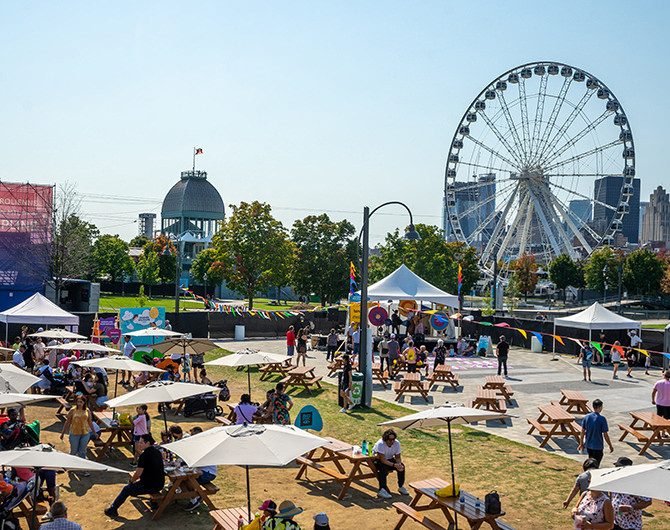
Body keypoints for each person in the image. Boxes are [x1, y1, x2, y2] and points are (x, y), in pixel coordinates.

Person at [105, 434, 165, 517]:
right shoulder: (157, 452)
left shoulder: (144, 456)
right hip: (160, 484)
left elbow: (138, 474)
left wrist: (131, 481)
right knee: (137, 485)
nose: (139, 445)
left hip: (149, 486)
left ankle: (113, 509)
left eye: (141, 443)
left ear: (147, 443)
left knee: (126, 489)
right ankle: (154, 503)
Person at [609, 457, 652, 530]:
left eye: (618, 467)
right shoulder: (614, 481)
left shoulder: (635, 484)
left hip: (631, 525)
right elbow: (611, 496)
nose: (616, 469)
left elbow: (648, 501)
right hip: (616, 523)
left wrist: (631, 507)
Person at [183, 426, 218, 512]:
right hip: (203, 471)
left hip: (208, 473)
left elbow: (195, 460)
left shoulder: (203, 446)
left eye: (193, 435)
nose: (191, 437)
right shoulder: (199, 444)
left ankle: (196, 498)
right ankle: (194, 497)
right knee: (183, 479)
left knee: (188, 479)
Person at [60, 395, 96, 472]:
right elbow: (67, 422)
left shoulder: (87, 411)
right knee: (73, 451)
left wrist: (94, 432)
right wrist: (63, 433)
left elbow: (90, 422)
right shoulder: (73, 410)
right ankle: (70, 466)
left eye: (81, 402)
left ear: (84, 402)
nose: (79, 403)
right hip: (74, 433)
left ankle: (83, 469)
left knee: (83, 451)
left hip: (85, 433)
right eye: (78, 402)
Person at [372, 429, 408, 499]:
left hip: (389, 459)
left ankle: (401, 486)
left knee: (402, 467)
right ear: (385, 439)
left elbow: (398, 457)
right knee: (383, 469)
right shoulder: (380, 444)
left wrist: (399, 464)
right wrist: (394, 465)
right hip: (378, 460)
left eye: (393, 439)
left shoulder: (396, 443)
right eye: (390, 440)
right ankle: (382, 490)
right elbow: (382, 460)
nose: (392, 441)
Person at [578, 399, 614, 465]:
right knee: (596, 464)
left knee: (590, 461)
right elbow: (605, 434)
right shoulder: (602, 419)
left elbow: (582, 432)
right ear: (600, 407)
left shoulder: (587, 417)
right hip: (598, 446)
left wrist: (581, 444)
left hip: (589, 445)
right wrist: (610, 445)